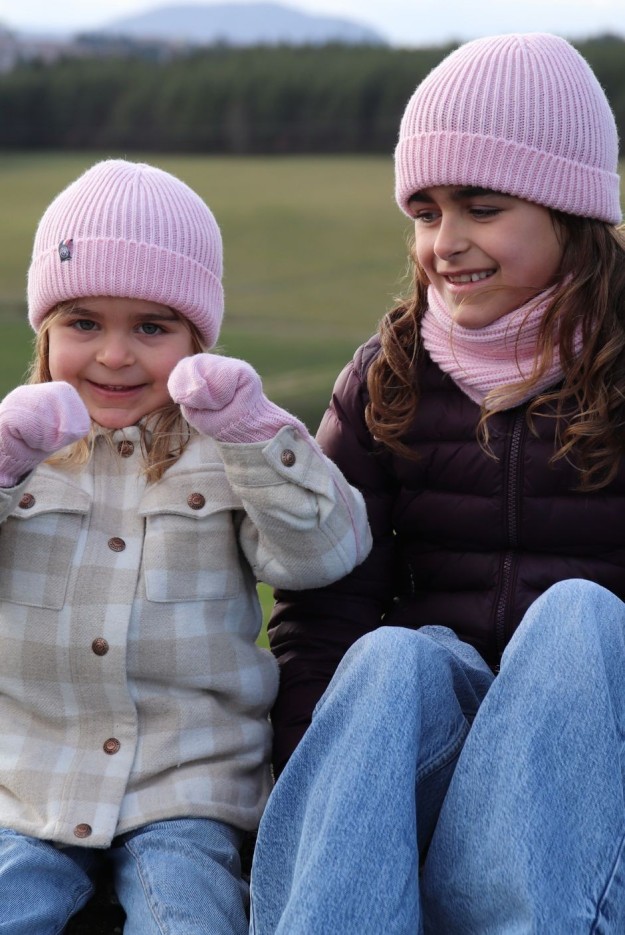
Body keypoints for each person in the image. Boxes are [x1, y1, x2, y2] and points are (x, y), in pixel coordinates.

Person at [249, 32, 625, 934]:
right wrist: (314, 790)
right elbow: (323, 611)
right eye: (423, 212)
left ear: (569, 207)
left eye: (480, 207)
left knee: (579, 613)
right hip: (445, 760)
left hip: (595, 769)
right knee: (389, 655)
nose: (444, 244)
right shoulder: (388, 377)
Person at [0, 158, 371, 934]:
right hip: (25, 790)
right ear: (44, 328)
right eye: (83, 323)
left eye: (151, 327)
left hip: (185, 793)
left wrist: (258, 433)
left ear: (198, 337)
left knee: (190, 919)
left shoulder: (227, 452)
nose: (113, 354)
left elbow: (324, 552)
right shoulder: (19, 449)